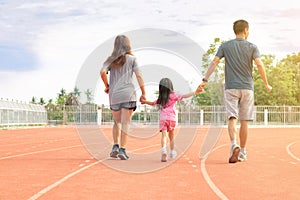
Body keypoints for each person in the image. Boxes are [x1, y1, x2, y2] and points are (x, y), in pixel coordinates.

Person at [199, 19, 272, 163]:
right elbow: (259, 65)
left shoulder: (225, 46)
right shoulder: (252, 47)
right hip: (247, 88)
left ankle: (234, 144)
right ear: (246, 31)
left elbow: (214, 62)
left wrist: (205, 80)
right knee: (244, 121)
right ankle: (243, 152)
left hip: (231, 87)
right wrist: (266, 83)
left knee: (232, 117)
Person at [100, 35, 146, 160]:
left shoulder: (111, 60)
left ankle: (115, 146)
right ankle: (122, 149)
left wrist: (107, 85)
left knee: (117, 122)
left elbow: (102, 72)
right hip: (128, 95)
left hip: (114, 95)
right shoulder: (132, 59)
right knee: (125, 123)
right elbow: (139, 76)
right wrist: (144, 92)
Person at [141, 78, 203, 162]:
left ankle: (163, 150)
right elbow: (185, 96)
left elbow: (152, 103)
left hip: (163, 118)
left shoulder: (161, 98)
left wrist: (145, 101)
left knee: (164, 136)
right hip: (172, 119)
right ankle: (172, 152)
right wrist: (195, 92)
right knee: (171, 136)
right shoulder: (173, 96)